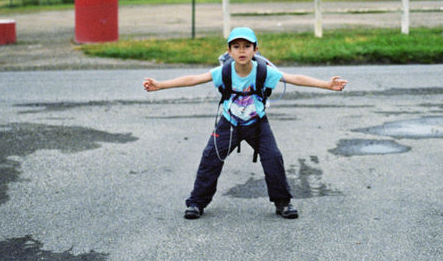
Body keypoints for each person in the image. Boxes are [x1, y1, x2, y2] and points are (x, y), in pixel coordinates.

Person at [143, 27, 347, 220]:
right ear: (229, 51)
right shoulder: (223, 72)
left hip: (257, 124)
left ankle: (283, 203)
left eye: (247, 46)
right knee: (210, 158)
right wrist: (160, 85)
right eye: (236, 46)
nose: (242, 51)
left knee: (273, 158)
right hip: (229, 123)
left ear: (255, 50)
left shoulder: (264, 71)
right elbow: (193, 79)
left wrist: (327, 85)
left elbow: (295, 78)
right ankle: (196, 203)